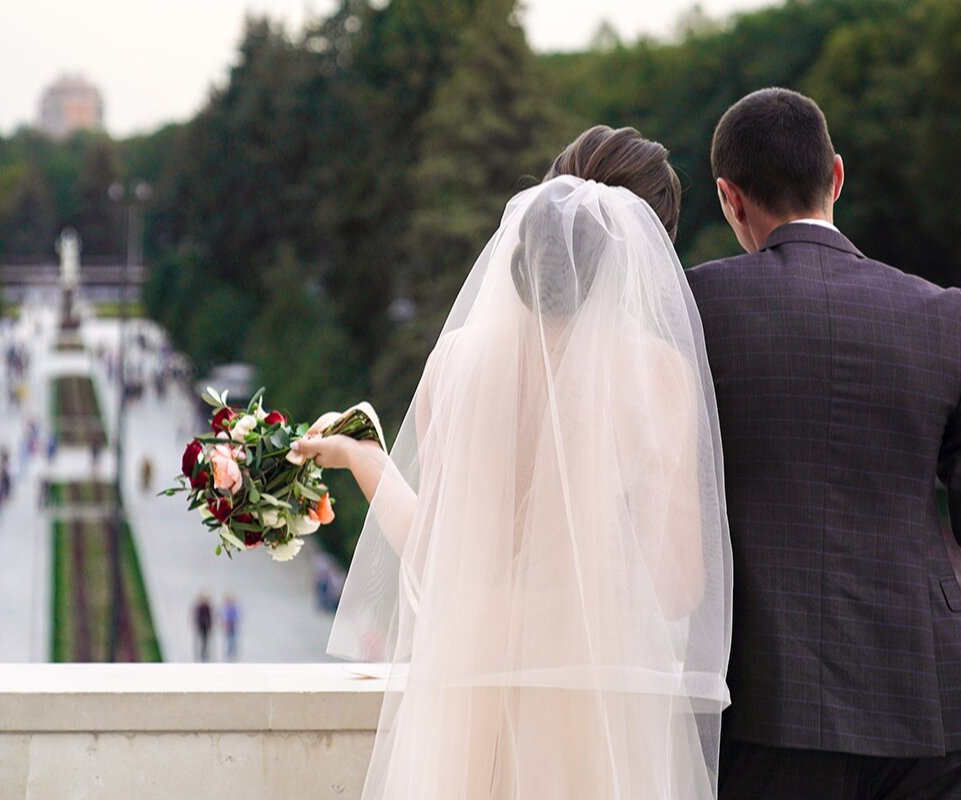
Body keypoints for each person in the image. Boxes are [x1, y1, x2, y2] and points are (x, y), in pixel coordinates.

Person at [294, 127, 731, 799]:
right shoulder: (657, 377)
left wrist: (364, 459)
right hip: (595, 711)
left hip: (470, 712)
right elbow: (678, 587)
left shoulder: (459, 362)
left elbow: (435, 553)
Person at [687, 88, 961, 799]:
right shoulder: (939, 313)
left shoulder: (696, 306)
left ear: (730, 198)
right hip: (929, 711)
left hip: (767, 712)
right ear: (838, 175)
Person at [193, 595, 215, 663]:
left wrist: (210, 625)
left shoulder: (208, 608)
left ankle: (205, 653)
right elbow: (197, 617)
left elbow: (210, 617)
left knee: (206, 641)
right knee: (200, 640)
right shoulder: (199, 608)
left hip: (206, 627)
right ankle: (200, 653)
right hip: (201, 626)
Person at [221, 593, 241, 662]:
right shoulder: (226, 609)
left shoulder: (235, 608)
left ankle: (233, 650)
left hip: (233, 625)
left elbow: (238, 616)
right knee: (229, 639)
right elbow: (223, 616)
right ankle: (229, 650)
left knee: (233, 638)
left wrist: (236, 620)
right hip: (228, 626)